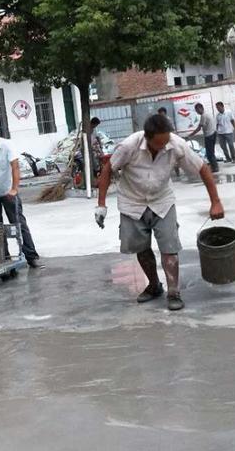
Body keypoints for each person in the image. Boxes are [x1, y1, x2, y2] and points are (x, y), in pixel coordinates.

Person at [95, 114, 225, 311]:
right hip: (132, 203)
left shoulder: (176, 144)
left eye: (166, 142)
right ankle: (154, 285)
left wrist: (216, 202)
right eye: (159, 143)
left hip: (162, 201)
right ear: (147, 138)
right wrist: (101, 205)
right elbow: (107, 170)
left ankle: (174, 292)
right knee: (141, 248)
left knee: (169, 248)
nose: (164, 147)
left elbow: (203, 169)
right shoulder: (129, 146)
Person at [0, 120, 42, 268]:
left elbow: (15, 167)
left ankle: (31, 256)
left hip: (8, 191)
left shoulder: (7, 145)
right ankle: (3, 257)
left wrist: (14, 188)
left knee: (19, 224)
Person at [188, 103, 219, 172]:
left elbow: (199, 128)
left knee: (209, 153)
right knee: (211, 152)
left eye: (197, 110)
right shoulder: (208, 113)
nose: (196, 112)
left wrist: (190, 135)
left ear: (200, 108)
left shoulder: (203, 116)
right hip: (213, 134)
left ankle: (215, 167)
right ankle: (214, 166)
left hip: (209, 135)